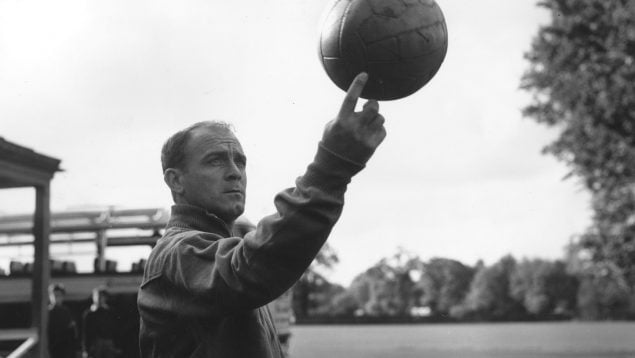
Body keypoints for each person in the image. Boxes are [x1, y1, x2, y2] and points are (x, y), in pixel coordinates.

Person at [137, 72, 386, 357]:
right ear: (176, 181)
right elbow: (250, 269)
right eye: (215, 160)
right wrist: (332, 164)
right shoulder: (175, 253)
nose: (234, 172)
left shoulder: (223, 247)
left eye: (240, 161)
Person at [82, 287, 120, 358]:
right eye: (97, 296)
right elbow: (86, 333)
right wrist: (85, 350)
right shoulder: (89, 314)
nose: (100, 298)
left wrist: (117, 345)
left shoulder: (110, 312)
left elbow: (115, 329)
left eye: (102, 296)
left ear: (105, 298)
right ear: (93, 297)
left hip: (109, 343)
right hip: (96, 344)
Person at [48, 283, 79, 358]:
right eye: (54, 295)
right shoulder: (47, 312)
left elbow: (72, 332)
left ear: (62, 296)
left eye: (58, 295)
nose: (56, 297)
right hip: (51, 348)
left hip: (65, 349)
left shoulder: (66, 311)